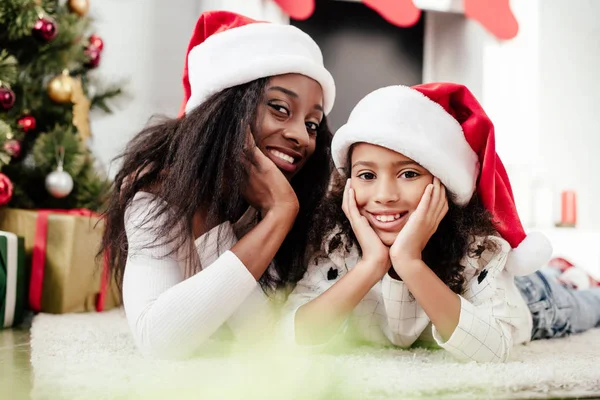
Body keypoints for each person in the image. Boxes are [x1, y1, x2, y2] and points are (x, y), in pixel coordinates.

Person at [283, 83, 600, 363]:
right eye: (367, 175)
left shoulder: (477, 247)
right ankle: (560, 270)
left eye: (408, 174)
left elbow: (492, 350)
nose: (384, 195)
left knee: (590, 305)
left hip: (532, 298)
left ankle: (567, 277)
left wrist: (409, 262)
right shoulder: (337, 242)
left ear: (444, 183)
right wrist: (372, 264)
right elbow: (290, 336)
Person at [100, 10, 336, 359]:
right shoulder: (155, 194)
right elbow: (160, 342)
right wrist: (264, 215)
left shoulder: (286, 199)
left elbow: (260, 336)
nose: (302, 136)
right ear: (228, 108)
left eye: (313, 124)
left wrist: (277, 214)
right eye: (280, 108)